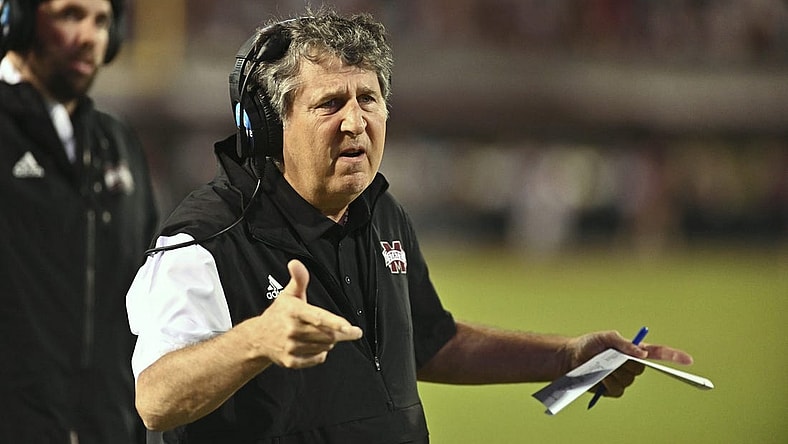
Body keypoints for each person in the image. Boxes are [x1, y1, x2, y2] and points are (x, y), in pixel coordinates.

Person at [126, 7, 693, 444]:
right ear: (270, 128)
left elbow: (425, 340)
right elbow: (155, 397)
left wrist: (566, 357)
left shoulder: (381, 212)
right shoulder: (207, 239)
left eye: (368, 98)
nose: (355, 121)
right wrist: (257, 339)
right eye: (329, 104)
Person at [0, 0, 157, 442]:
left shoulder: (118, 143)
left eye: (102, 20)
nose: (89, 35)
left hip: (107, 427)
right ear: (19, 19)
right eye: (70, 14)